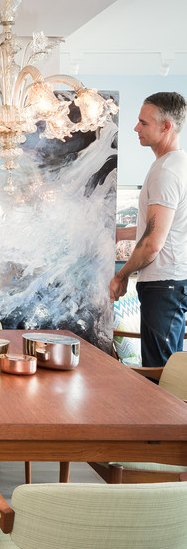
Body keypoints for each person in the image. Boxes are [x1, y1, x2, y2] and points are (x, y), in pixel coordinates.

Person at [110, 92, 187, 367]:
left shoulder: (166, 171)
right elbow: (162, 225)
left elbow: (154, 242)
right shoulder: (178, 164)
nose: (135, 128)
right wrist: (120, 233)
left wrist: (122, 275)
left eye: (143, 122)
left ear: (167, 126)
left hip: (164, 284)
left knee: (160, 373)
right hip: (170, 284)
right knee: (167, 370)